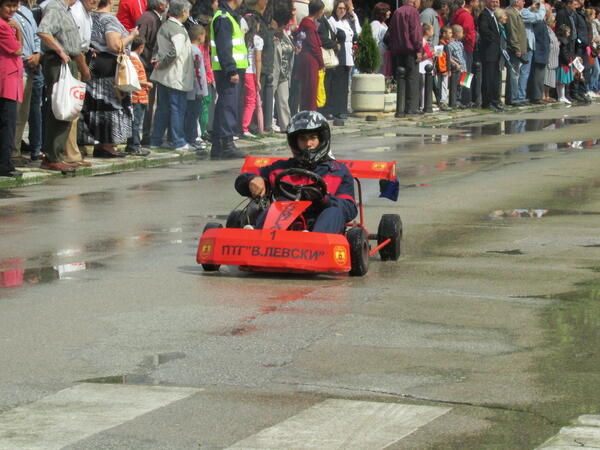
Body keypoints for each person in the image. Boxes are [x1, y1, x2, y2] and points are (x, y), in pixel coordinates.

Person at [234, 110, 357, 234]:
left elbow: (349, 209)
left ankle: (313, 244)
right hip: (283, 224)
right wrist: (253, 180)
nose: (308, 144)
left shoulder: (338, 172)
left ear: (322, 139)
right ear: (295, 142)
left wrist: (324, 199)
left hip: (320, 223)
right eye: (303, 139)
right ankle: (258, 240)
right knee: (273, 209)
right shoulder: (280, 168)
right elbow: (241, 181)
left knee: (334, 211)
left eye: (313, 138)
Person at [80, 0, 138, 158]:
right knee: (110, 106)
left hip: (92, 66)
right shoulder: (109, 19)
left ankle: (97, 144)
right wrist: (131, 36)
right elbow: (114, 45)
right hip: (109, 70)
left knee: (94, 106)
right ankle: (107, 145)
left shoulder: (89, 16)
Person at [37, 0, 90, 172]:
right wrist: (59, 50)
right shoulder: (55, 7)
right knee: (60, 107)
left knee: (68, 109)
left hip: (69, 61)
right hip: (58, 61)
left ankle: (58, 154)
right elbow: (44, 31)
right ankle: (51, 156)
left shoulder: (66, 10)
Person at [150, 0, 195, 152]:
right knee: (177, 109)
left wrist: (157, 61)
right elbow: (175, 52)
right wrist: (162, 63)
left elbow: (157, 47)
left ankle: (155, 140)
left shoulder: (165, 26)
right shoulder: (177, 29)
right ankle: (179, 141)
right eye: (187, 11)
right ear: (183, 12)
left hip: (163, 76)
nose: (188, 14)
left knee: (162, 108)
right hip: (176, 76)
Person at [210, 0, 248, 159]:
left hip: (228, 69)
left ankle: (218, 145)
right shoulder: (224, 17)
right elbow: (224, 47)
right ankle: (227, 144)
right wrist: (231, 69)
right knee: (228, 106)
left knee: (224, 105)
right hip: (228, 70)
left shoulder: (228, 16)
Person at [136, 0, 168, 144]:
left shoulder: (155, 18)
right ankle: (143, 136)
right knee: (144, 102)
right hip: (144, 67)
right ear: (160, 5)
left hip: (149, 66)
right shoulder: (148, 18)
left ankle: (146, 134)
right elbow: (138, 41)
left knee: (149, 102)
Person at [12, 0, 39, 164]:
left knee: (23, 113)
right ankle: (11, 152)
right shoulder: (7, 12)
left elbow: (37, 35)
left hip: (30, 68)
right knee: (12, 113)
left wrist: (37, 54)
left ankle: (16, 149)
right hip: (16, 66)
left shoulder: (27, 11)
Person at [0, 0, 24, 178]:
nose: (13, 10)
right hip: (6, 81)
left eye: (15, 6)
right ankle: (5, 164)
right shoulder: (3, 26)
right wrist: (18, 31)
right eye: (8, 6)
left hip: (11, 79)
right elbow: (17, 49)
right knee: (7, 124)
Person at [388, 0, 423, 115]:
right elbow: (415, 33)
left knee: (401, 80)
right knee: (412, 79)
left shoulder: (397, 12)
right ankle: (411, 108)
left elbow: (391, 32)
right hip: (410, 51)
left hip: (398, 51)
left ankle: (401, 108)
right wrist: (418, 49)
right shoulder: (413, 12)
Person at [328, 0, 360, 118]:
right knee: (337, 83)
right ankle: (336, 109)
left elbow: (353, 37)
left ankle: (343, 108)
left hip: (348, 55)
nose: (342, 11)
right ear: (335, 9)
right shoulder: (332, 22)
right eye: (339, 8)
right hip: (338, 55)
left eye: (344, 9)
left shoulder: (346, 22)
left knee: (345, 84)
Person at [296, 0, 325, 112]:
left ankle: (309, 112)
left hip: (309, 59)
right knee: (311, 89)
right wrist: (321, 62)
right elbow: (314, 46)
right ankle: (310, 113)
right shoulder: (309, 25)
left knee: (310, 88)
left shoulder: (308, 23)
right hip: (310, 60)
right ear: (318, 11)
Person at [126, 36, 153, 155]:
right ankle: (134, 146)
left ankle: (134, 145)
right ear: (141, 47)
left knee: (136, 122)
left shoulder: (133, 58)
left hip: (140, 96)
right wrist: (147, 83)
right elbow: (134, 79)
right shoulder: (134, 59)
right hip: (137, 96)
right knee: (136, 122)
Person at [184, 24, 208, 149]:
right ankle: (191, 138)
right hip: (195, 90)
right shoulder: (196, 51)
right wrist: (201, 90)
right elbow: (198, 72)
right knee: (193, 116)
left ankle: (190, 137)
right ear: (199, 37)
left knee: (189, 115)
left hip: (189, 89)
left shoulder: (187, 48)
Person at [477, 0, 503, 111]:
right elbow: (484, 31)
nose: (495, 4)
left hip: (495, 52)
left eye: (497, 2)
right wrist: (494, 39)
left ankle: (495, 100)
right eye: (493, 2)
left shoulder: (493, 15)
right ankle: (487, 102)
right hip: (489, 52)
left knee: (495, 78)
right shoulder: (484, 15)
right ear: (487, 2)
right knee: (488, 78)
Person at [451, 0, 478, 106]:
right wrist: (472, 42)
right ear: (471, 2)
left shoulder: (459, 13)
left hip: (461, 47)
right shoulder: (467, 16)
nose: (478, 3)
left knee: (463, 74)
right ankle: (464, 99)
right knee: (466, 73)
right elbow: (468, 33)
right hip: (466, 48)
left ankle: (462, 98)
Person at [519, 0, 546, 104]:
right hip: (525, 45)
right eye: (522, 1)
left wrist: (532, 7)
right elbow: (538, 17)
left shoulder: (524, 11)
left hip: (529, 46)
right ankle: (521, 96)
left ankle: (522, 95)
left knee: (526, 72)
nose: (524, 2)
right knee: (524, 73)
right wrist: (542, 6)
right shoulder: (522, 12)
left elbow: (528, 11)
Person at [241, 13, 262, 138]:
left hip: (241, 70)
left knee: (242, 100)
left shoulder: (242, 38)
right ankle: (244, 127)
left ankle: (240, 125)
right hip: (250, 72)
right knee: (251, 101)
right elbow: (258, 60)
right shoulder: (257, 40)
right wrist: (258, 79)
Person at [272, 7, 294, 131]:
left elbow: (291, 49)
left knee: (283, 100)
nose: (284, 27)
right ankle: (267, 124)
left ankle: (286, 126)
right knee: (270, 101)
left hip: (285, 73)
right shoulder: (272, 35)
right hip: (274, 72)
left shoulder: (285, 34)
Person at [505, 0, 528, 106]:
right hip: (513, 49)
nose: (524, 3)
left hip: (519, 47)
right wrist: (517, 48)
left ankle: (516, 97)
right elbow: (512, 32)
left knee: (515, 73)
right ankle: (513, 99)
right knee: (513, 73)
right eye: (522, 1)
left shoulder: (516, 13)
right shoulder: (510, 13)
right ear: (516, 2)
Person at [556, 23, 574, 102]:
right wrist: (568, 61)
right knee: (562, 81)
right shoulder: (564, 41)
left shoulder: (560, 39)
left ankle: (561, 96)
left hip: (561, 62)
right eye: (568, 32)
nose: (569, 34)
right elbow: (564, 52)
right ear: (564, 32)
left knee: (560, 82)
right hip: (563, 63)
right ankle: (561, 96)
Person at [544, 12, 559, 102]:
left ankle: (547, 95)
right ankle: (544, 95)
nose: (555, 23)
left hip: (554, 58)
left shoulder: (551, 30)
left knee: (550, 78)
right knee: (546, 77)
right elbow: (547, 44)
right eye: (553, 21)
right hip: (549, 57)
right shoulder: (546, 30)